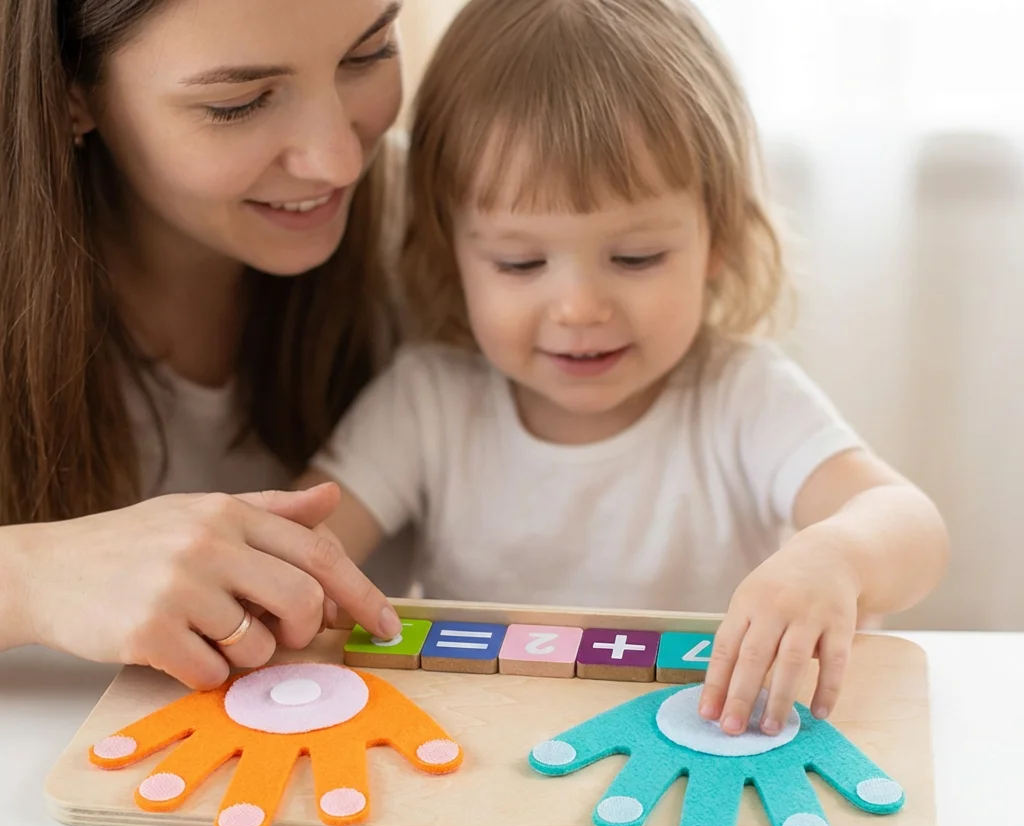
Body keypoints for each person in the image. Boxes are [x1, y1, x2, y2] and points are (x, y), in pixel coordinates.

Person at [306, 0, 949, 736]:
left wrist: (836, 556)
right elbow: (308, 556)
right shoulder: (426, 403)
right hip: (483, 751)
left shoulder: (737, 394)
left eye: (636, 257)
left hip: (703, 743)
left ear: (721, 242)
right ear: (451, 258)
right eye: (520, 262)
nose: (579, 307)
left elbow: (911, 526)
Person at [0, 0, 412, 689]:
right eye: (238, 104)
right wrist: (31, 576)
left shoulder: (467, 237)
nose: (337, 159)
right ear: (70, 95)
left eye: (367, 53)